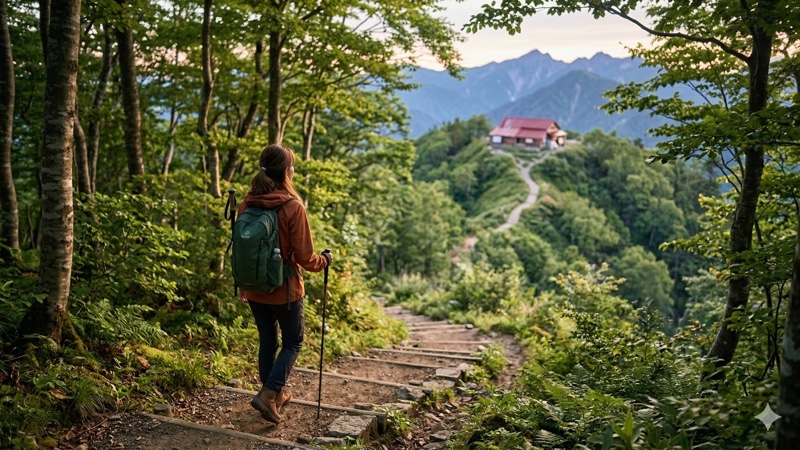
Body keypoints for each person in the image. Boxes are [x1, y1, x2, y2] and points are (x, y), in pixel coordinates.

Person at [238, 144, 331, 424]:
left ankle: (273, 394)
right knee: (293, 341)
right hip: (285, 290)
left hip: (254, 287)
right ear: (286, 171)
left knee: (267, 340)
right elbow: (306, 258)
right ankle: (269, 394)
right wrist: (324, 261)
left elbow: (243, 252)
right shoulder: (292, 207)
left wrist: (244, 284)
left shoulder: (247, 203)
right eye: (292, 166)